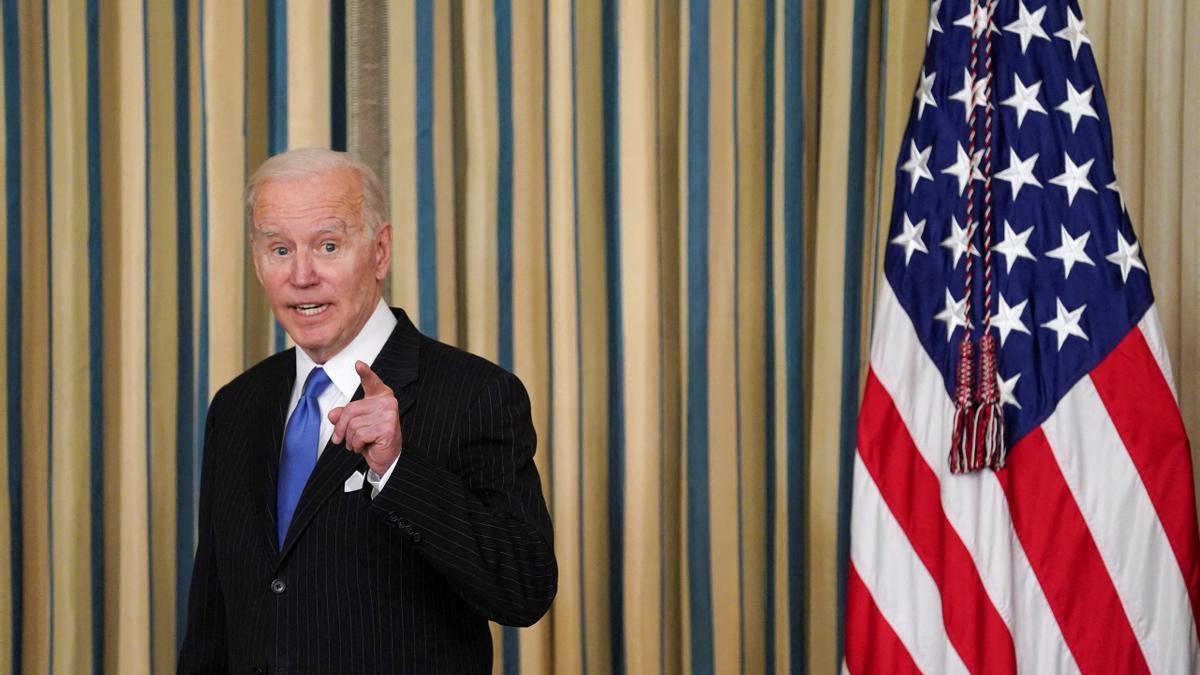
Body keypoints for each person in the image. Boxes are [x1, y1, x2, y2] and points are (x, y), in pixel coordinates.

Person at [178, 148, 556, 673]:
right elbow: (213, 619)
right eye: (279, 250)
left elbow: (523, 588)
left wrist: (398, 470)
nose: (302, 275)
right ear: (256, 260)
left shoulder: (475, 393)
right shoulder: (237, 405)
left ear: (379, 252)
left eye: (328, 246)